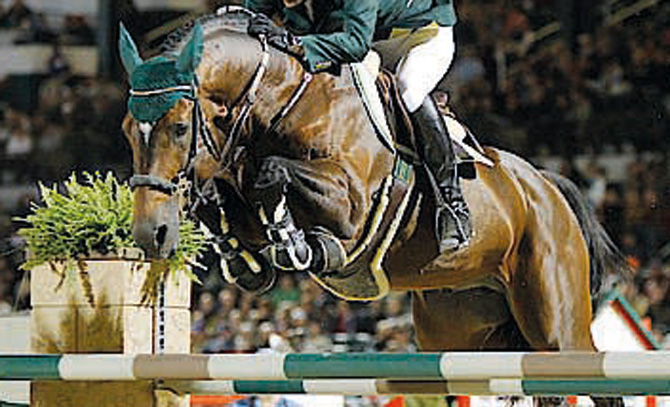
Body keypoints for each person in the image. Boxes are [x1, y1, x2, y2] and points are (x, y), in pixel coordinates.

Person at [245, 0, 471, 251]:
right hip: (367, 36)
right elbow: (251, 19)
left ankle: (452, 203)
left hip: (420, 33)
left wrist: (295, 42)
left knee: (408, 89)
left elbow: (355, 45)